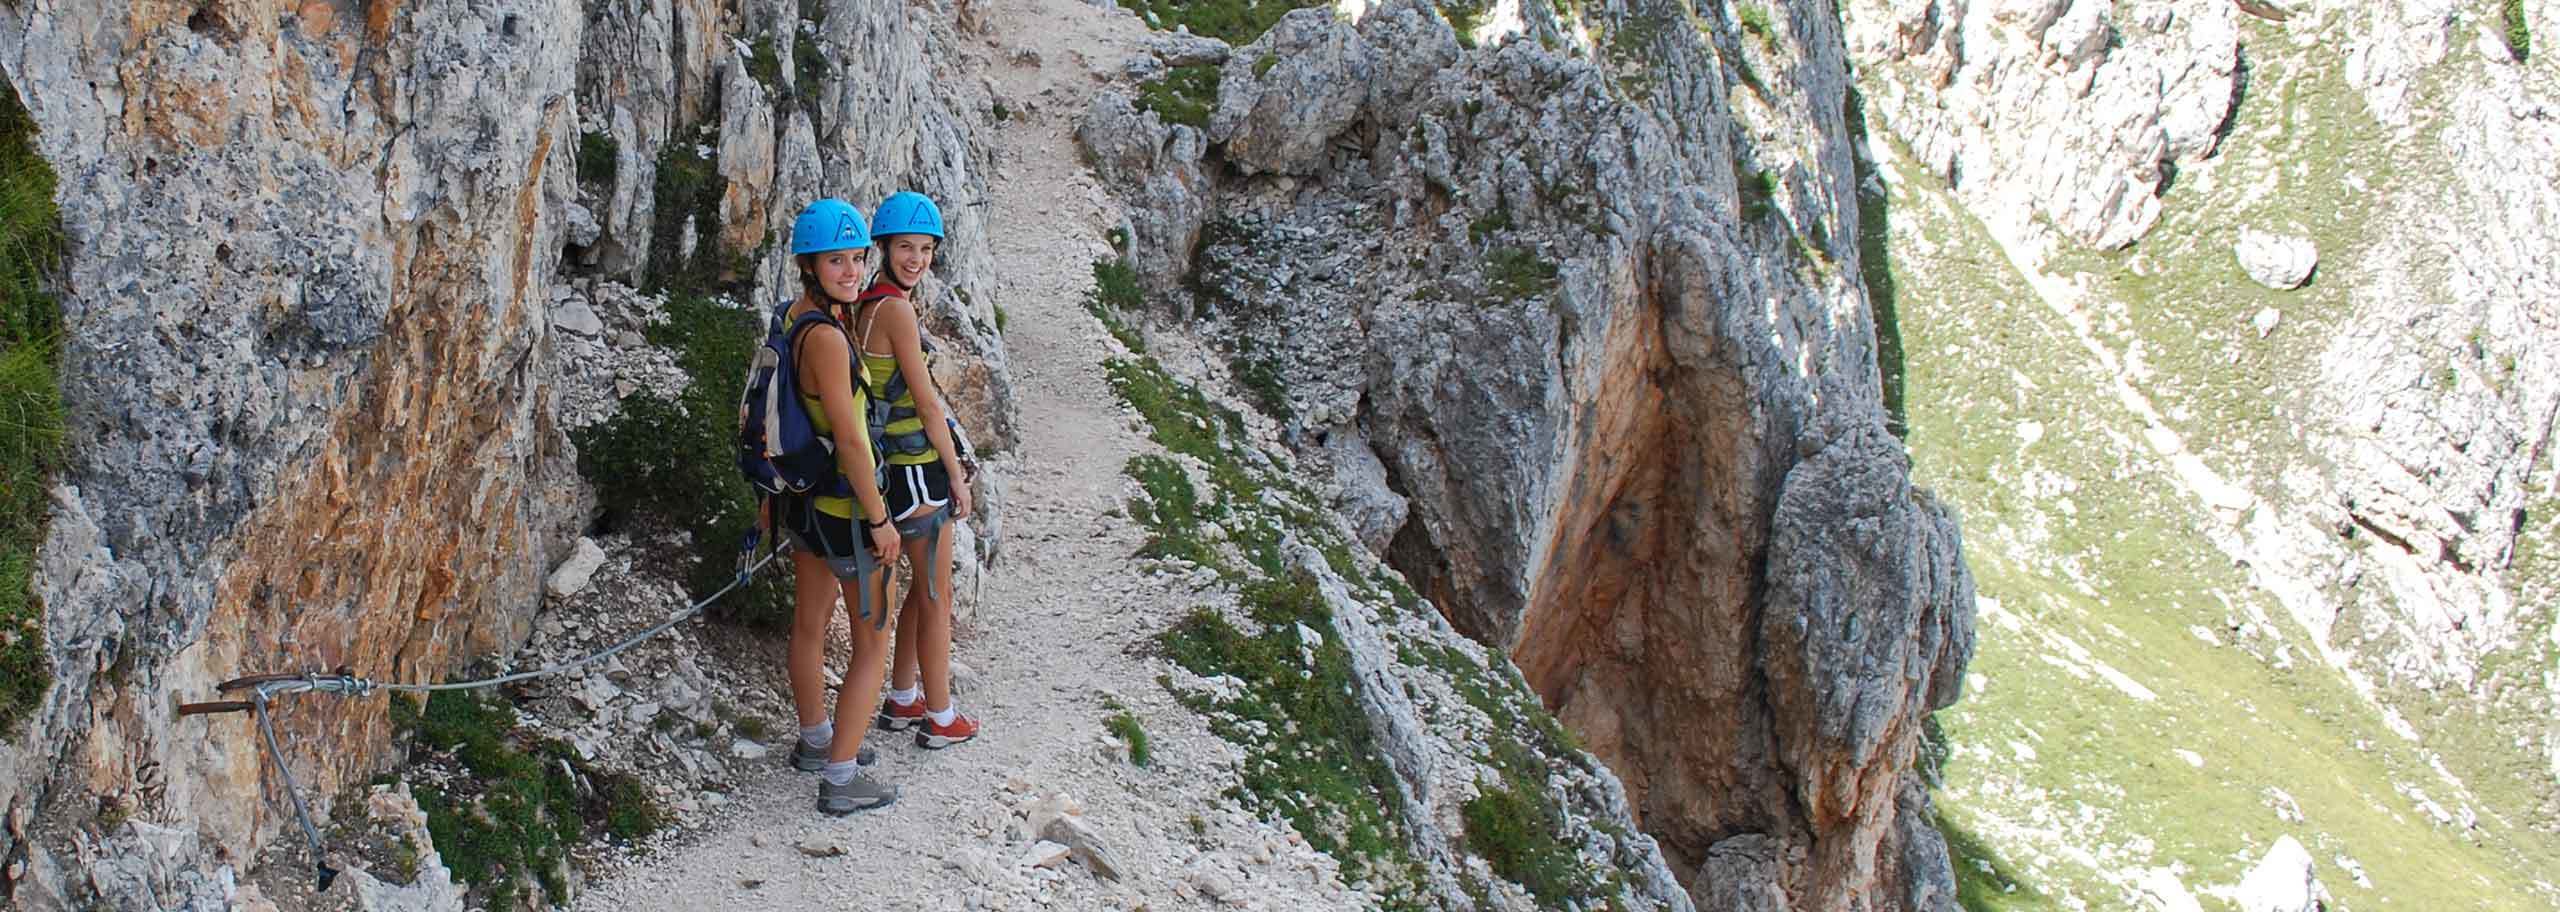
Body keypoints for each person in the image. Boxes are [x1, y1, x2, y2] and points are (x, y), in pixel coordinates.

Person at [773, 198, 903, 813]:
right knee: (873, 640)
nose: (851, 271)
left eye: (857, 258)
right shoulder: (826, 337)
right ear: (809, 263)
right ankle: (843, 778)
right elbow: (852, 438)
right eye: (837, 260)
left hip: (805, 506)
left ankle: (817, 739)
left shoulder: (793, 317)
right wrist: (881, 519)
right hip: (846, 510)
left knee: (809, 624)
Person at [852, 191, 981, 749]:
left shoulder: (866, 301)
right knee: (936, 596)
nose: (917, 258)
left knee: (918, 591)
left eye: (926, 249)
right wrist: (955, 473)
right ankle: (941, 714)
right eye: (906, 247)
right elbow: (929, 405)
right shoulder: (898, 310)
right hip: (916, 472)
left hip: (888, 472)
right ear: (883, 246)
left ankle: (904, 698)